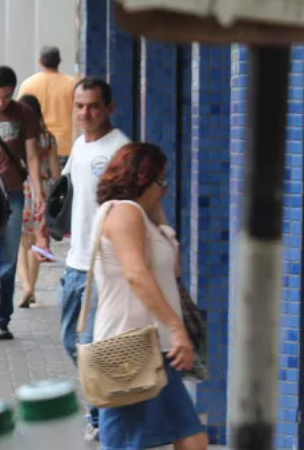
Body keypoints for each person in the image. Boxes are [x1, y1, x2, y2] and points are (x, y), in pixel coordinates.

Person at [92, 143, 206, 450]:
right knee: (129, 443)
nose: (165, 189)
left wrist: (157, 214)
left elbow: (174, 270)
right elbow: (136, 274)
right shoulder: (124, 213)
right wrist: (175, 327)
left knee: (192, 439)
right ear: (142, 180)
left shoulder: (142, 216)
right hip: (129, 348)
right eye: (161, 181)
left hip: (154, 348)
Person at [62, 77, 130, 441]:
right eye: (79, 106)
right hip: (75, 262)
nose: (85, 113)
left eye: (93, 106)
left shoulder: (121, 149)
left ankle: (105, 418)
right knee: (69, 341)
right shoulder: (78, 145)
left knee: (91, 347)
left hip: (104, 266)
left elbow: (134, 206)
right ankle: (104, 408)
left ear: (108, 108)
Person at [0, 66, 43, 343]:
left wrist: (39, 193)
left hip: (13, 194)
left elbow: (33, 157)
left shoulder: (24, 113)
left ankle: (1, 319)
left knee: (9, 260)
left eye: (6, 97)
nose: (1, 103)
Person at [15, 94, 60, 308]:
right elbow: (55, 174)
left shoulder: (16, 136)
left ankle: (26, 287)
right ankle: (31, 289)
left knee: (20, 244)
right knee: (36, 242)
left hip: (21, 190)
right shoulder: (48, 138)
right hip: (41, 192)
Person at [18, 46, 78, 158]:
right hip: (64, 146)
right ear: (59, 62)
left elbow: (20, 116)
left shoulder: (28, 84)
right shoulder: (72, 84)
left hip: (38, 146)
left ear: (40, 62)